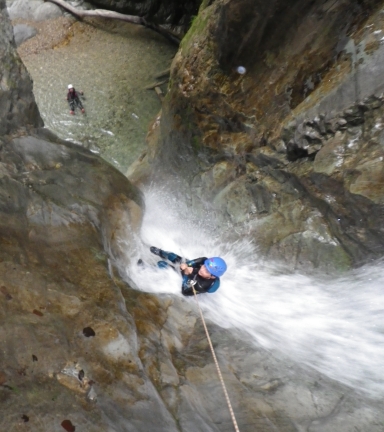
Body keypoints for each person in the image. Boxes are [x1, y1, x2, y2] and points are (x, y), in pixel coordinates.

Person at [149, 246, 227, 296]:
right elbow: (190, 263)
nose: (202, 269)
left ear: (212, 277)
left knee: (161, 264)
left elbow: (184, 291)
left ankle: (147, 269)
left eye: (206, 271)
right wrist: (186, 265)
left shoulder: (201, 285)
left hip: (190, 282)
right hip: (191, 271)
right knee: (172, 256)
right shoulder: (204, 260)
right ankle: (160, 252)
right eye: (204, 266)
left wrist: (187, 274)